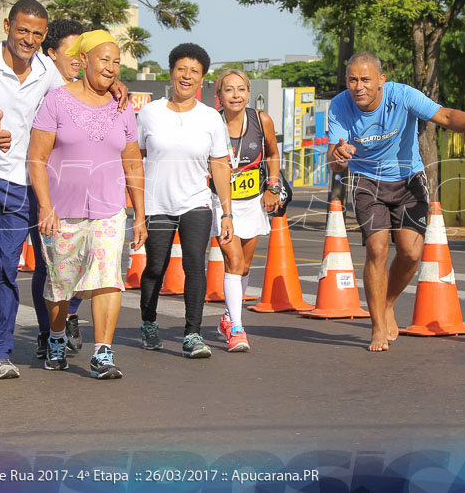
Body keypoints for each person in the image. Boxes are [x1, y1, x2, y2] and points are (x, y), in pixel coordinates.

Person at [0, 0, 128, 384]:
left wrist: (113, 82)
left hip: (21, 183)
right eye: (22, 30)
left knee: (7, 267)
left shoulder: (47, 71)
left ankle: (0, 351)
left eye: (37, 33)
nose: (28, 39)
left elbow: (80, 96)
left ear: (44, 37)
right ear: (7, 26)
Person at [328, 52, 465, 352]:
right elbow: (334, 160)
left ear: (381, 80)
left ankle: (387, 303)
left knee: (410, 253)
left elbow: (446, 116)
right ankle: (377, 327)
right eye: (352, 79)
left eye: (366, 79)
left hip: (408, 177)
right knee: (377, 247)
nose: (359, 86)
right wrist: (340, 156)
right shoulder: (339, 105)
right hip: (366, 180)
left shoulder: (403, 95)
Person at [28, 30, 145, 379]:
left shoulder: (122, 107)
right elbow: (36, 158)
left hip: (109, 210)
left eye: (116, 61)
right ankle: (57, 337)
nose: (111, 67)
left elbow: (133, 163)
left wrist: (139, 215)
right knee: (61, 284)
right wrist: (45, 206)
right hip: (63, 212)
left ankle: (103, 353)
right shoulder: (56, 101)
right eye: (104, 59)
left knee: (109, 280)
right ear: (85, 61)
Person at [137, 43, 234, 359]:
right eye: (182, 69)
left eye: (194, 71)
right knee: (155, 267)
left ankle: (192, 333)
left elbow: (219, 165)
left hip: (196, 201)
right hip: (156, 203)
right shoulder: (150, 113)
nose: (187, 76)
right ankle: (149, 322)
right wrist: (135, 203)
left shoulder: (210, 118)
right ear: (171, 73)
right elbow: (134, 157)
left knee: (195, 264)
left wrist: (227, 214)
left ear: (203, 78)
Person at [210, 69, 281, 352]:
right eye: (229, 90)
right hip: (221, 203)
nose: (236, 95)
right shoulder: (211, 123)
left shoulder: (261, 120)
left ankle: (228, 317)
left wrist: (272, 186)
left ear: (249, 93)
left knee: (246, 267)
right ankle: (237, 330)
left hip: (253, 201)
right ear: (219, 96)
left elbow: (274, 154)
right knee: (234, 263)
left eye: (241, 89)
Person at [30, 17, 87, 362]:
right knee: (49, 266)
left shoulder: (94, 91)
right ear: (51, 53)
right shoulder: (44, 92)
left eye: (84, 51)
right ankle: (46, 331)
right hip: (48, 191)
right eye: (72, 51)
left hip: (85, 190)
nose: (79, 58)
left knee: (84, 264)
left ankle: (71, 313)